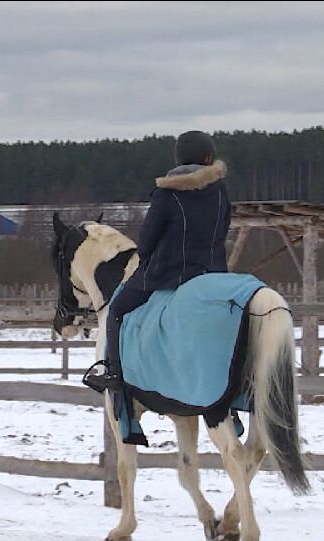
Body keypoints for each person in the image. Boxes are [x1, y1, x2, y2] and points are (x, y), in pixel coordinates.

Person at [83, 130, 232, 393]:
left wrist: (147, 260)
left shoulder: (166, 194)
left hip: (168, 274)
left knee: (116, 309)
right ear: (209, 158)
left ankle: (113, 372)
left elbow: (147, 239)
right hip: (213, 274)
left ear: (178, 159)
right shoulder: (220, 192)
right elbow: (223, 231)